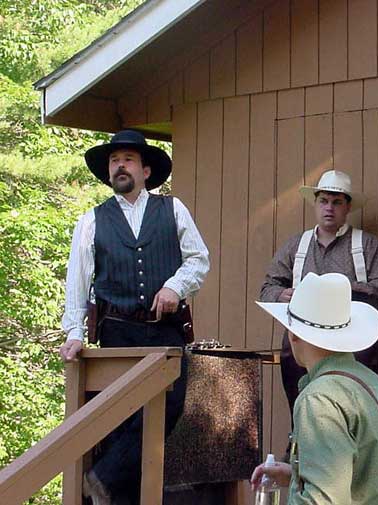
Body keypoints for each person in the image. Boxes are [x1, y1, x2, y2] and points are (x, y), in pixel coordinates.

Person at [58, 130, 210, 505]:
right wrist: (75, 332)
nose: (119, 166)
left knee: (170, 405)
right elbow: (77, 282)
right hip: (117, 332)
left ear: (145, 170)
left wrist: (175, 287)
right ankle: (111, 491)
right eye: (114, 161)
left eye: (127, 159)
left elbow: (198, 259)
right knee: (122, 419)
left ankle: (102, 479)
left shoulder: (173, 210)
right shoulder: (91, 221)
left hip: (166, 332)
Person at [251, 272, 378, 504]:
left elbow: (323, 500)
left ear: (293, 334)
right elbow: (368, 475)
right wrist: (297, 474)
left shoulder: (319, 399)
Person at [260, 169, 378, 413]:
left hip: (350, 340)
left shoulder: (367, 245)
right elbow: (267, 289)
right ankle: (299, 442)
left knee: (350, 406)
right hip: (301, 342)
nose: (329, 208)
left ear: (348, 207)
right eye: (323, 201)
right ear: (315, 205)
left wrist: (346, 288)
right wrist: (282, 295)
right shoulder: (295, 246)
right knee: (301, 402)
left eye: (337, 202)